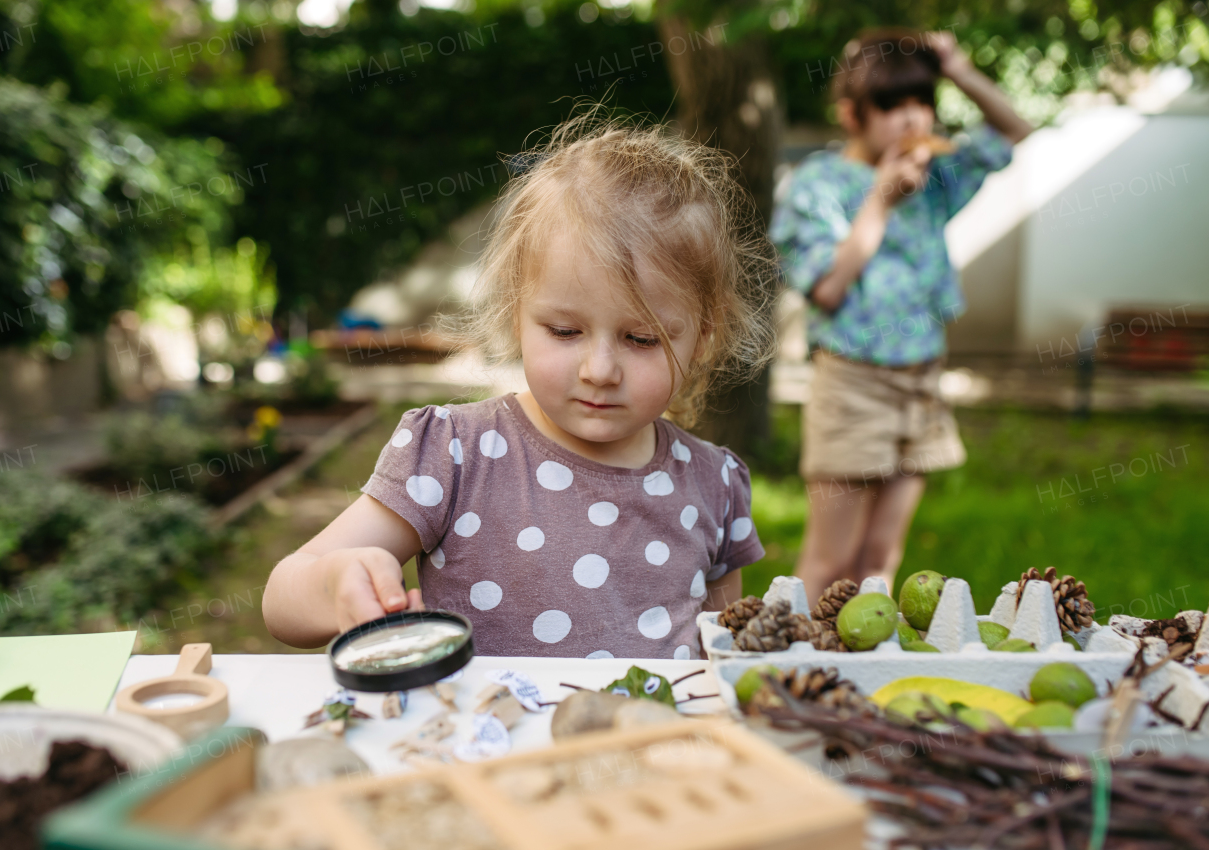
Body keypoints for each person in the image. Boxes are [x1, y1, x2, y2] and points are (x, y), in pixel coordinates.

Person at [263, 109, 777, 657]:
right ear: (516, 313)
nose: (600, 369)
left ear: (702, 336)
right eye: (565, 330)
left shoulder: (714, 485)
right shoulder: (455, 457)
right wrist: (336, 584)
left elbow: (724, 657)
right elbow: (282, 600)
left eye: (642, 340)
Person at [771, 30, 1032, 608]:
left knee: (880, 559)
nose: (912, 118)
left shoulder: (937, 177)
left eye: (922, 100)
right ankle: (792, 668)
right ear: (851, 114)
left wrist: (959, 69)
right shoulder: (819, 186)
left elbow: (1014, 131)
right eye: (891, 106)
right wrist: (881, 200)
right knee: (830, 559)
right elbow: (829, 289)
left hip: (921, 381)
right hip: (852, 382)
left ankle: (860, 676)